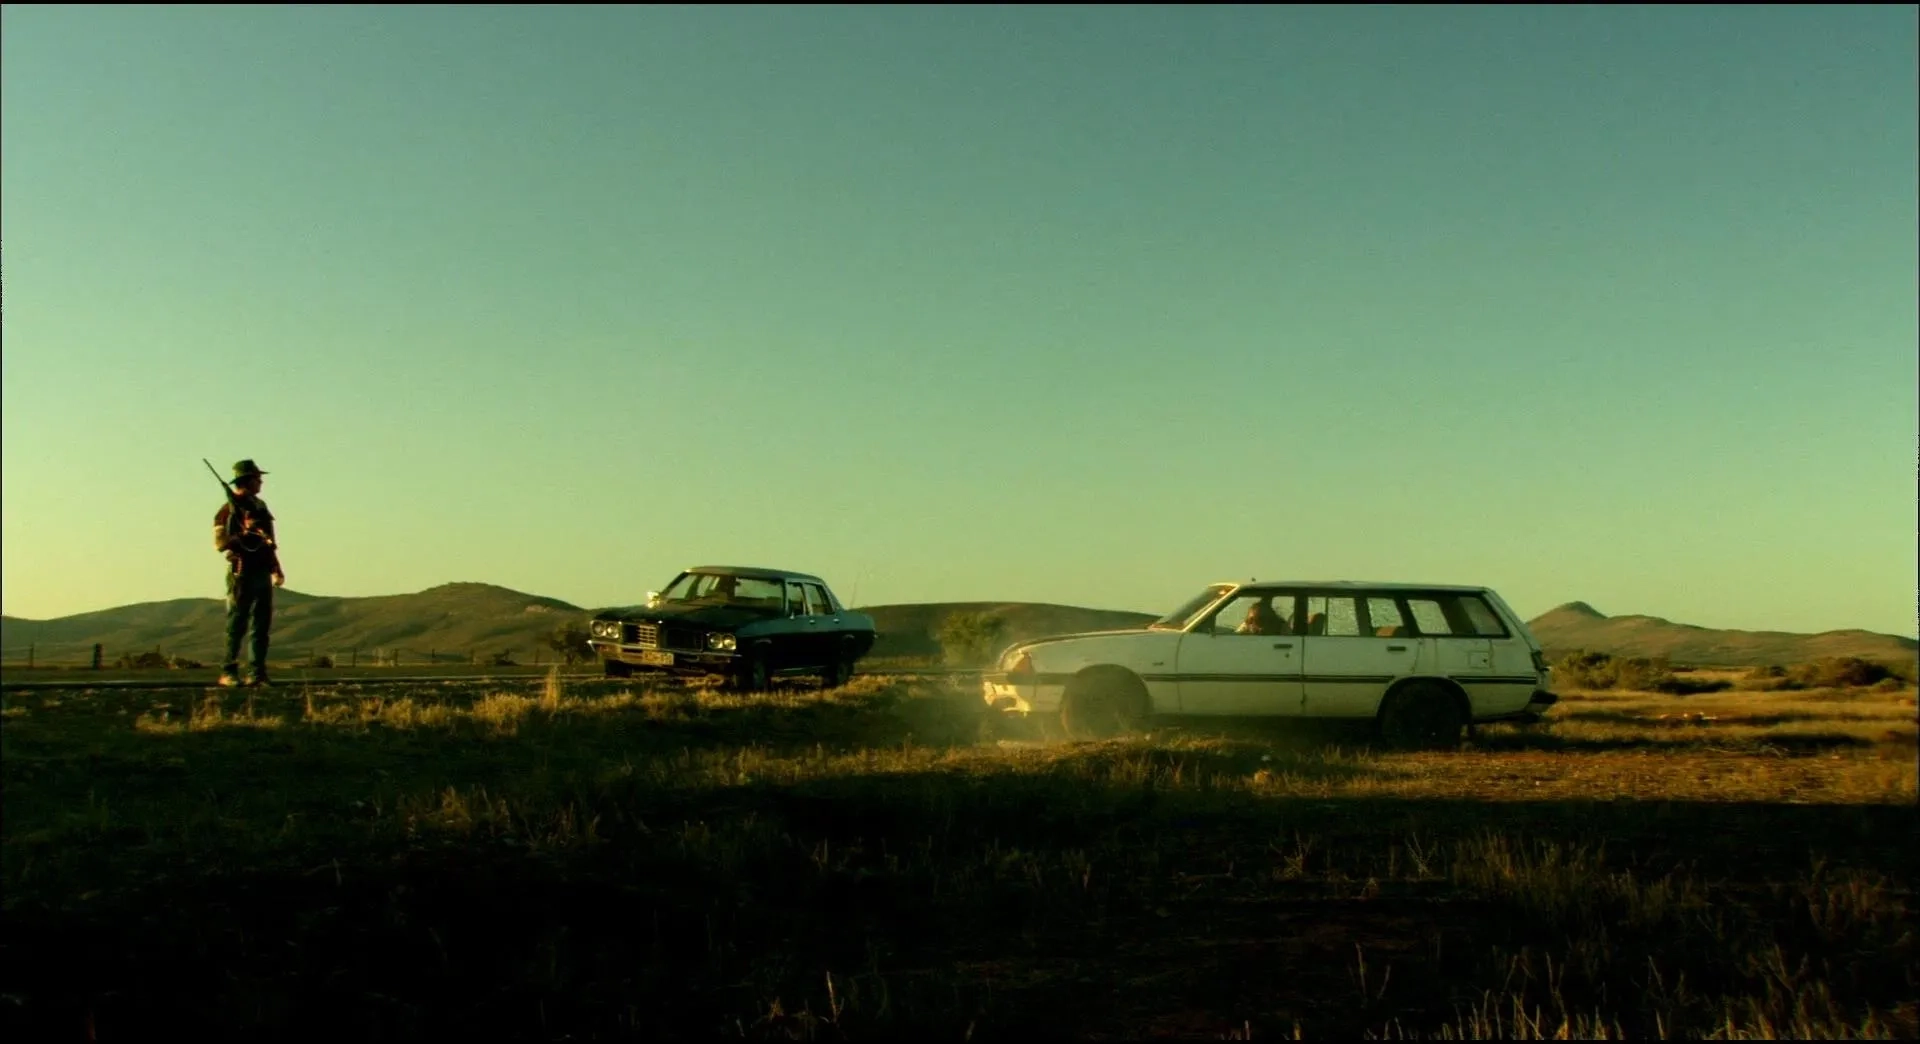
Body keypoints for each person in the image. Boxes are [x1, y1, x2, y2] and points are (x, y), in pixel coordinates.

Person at [213, 459, 284, 687]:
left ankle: (257, 673)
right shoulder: (227, 510)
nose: (261, 482)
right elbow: (220, 543)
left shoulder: (261, 507)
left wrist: (276, 568)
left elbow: (269, 542)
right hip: (241, 571)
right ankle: (229, 671)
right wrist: (242, 535)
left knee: (261, 626)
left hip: (262, 570)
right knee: (237, 624)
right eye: (257, 478)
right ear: (248, 480)